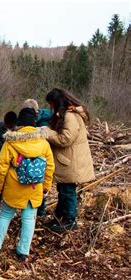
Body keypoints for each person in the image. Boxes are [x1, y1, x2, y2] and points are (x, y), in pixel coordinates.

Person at [0, 108, 55, 261]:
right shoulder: (43, 143)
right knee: (29, 219)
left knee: (5, 215)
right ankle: (23, 251)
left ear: (19, 124)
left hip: (13, 188)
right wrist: (46, 186)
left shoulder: (11, 142)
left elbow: (1, 167)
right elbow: (50, 166)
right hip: (34, 188)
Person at [42, 88, 95, 232]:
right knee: (63, 189)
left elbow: (65, 139)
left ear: (56, 102)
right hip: (68, 160)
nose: (50, 107)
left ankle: (70, 220)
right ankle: (60, 217)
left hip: (71, 161)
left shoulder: (70, 116)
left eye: (51, 104)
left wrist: (47, 133)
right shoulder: (67, 114)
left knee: (68, 191)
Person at [22, 99, 52, 217]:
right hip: (38, 155)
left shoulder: (46, 118)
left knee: (39, 180)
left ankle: (40, 211)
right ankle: (37, 210)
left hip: (40, 155)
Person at [0, 111, 17, 214]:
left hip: (11, 165)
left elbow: (8, 150)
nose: (8, 128)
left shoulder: (16, 133)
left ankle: (10, 209)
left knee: (10, 187)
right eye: (6, 126)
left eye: (10, 126)